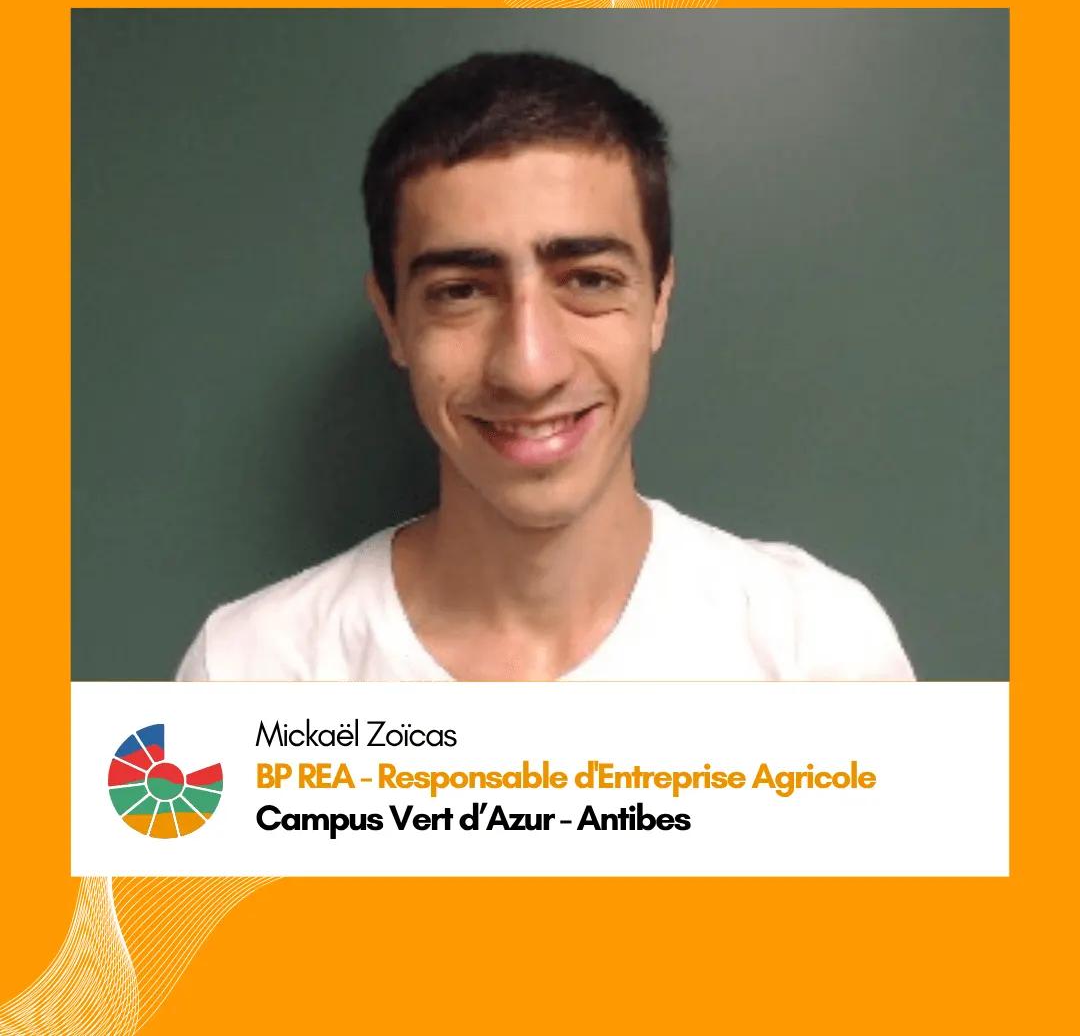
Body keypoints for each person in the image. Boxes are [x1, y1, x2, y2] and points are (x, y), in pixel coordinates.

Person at [177, 52, 915, 682]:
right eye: (461, 292)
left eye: (589, 280)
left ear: (658, 303)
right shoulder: (248, 672)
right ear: (392, 320)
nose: (530, 368)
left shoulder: (818, 650)